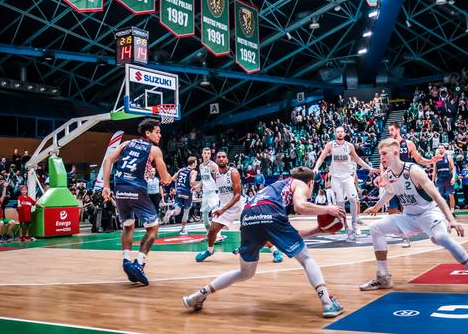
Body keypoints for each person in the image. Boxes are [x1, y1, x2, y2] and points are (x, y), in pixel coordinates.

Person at [183, 167, 346, 318]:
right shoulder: (299, 184)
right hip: (268, 213)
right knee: (306, 259)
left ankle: (197, 296)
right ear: (311, 183)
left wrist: (315, 230)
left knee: (244, 273)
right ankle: (327, 303)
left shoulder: (275, 188)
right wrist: (327, 209)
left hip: (248, 216)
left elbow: (274, 234)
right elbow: (300, 206)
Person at [360, 139, 468, 294]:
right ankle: (383, 277)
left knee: (442, 237)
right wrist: (376, 207)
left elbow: (437, 195)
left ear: (395, 153)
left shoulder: (413, 171)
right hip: (408, 216)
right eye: (380, 154)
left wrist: (452, 219)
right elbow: (390, 192)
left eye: (383, 154)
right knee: (376, 228)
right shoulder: (388, 175)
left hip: (429, 213)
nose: (381, 157)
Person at [101, 118, 172, 286]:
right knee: (153, 228)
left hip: (119, 189)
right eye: (157, 132)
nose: (160, 135)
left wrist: (105, 186)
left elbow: (108, 160)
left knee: (128, 224)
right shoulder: (154, 150)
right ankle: (139, 263)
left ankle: (126, 260)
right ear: (148, 133)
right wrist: (168, 179)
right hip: (137, 189)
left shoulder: (126, 144)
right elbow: (165, 178)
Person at [313, 126, 376, 241]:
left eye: (341, 131)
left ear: (344, 133)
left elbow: (358, 160)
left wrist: (369, 168)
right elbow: (321, 157)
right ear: (335, 133)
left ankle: (355, 225)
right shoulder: (330, 145)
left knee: (353, 200)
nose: (340, 133)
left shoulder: (350, 146)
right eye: (338, 132)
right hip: (336, 178)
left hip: (347, 177)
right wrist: (316, 168)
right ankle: (347, 228)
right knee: (340, 204)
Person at [195, 151, 244, 262]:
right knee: (212, 231)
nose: (221, 159)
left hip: (239, 207)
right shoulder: (215, 174)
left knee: (254, 228)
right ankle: (210, 250)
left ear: (227, 160)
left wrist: (223, 209)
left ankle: (274, 250)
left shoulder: (233, 172)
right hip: (224, 209)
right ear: (216, 161)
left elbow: (237, 195)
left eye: (223, 157)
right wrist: (196, 186)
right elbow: (204, 180)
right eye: (219, 157)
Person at [163, 156, 202, 235]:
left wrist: (181, 184)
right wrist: (196, 187)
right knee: (186, 211)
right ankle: (183, 229)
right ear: (193, 163)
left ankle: (170, 213)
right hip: (187, 192)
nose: (196, 164)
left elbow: (173, 178)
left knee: (177, 211)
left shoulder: (181, 170)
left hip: (179, 191)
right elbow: (192, 181)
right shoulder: (193, 171)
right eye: (196, 162)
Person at [198, 147, 219, 231]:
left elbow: (218, 179)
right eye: (205, 153)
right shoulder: (201, 166)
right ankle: (209, 232)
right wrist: (196, 186)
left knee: (215, 213)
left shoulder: (213, 165)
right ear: (202, 154)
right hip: (205, 193)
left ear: (210, 155)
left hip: (213, 192)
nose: (206, 155)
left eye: (208, 153)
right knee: (204, 214)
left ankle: (217, 234)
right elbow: (203, 180)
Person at [432, 145, 456, 214]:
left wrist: (453, 177)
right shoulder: (435, 158)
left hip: (448, 178)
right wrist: (432, 181)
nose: (441, 149)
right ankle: (440, 212)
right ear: (438, 150)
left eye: (442, 148)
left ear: (444, 149)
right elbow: (434, 171)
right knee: (439, 196)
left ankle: (452, 212)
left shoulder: (448, 157)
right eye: (439, 148)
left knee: (451, 195)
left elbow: (453, 168)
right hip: (440, 178)